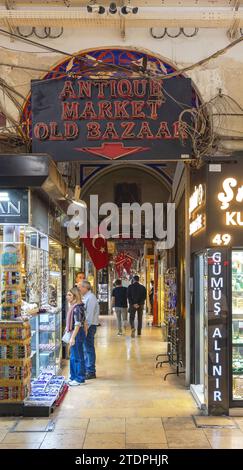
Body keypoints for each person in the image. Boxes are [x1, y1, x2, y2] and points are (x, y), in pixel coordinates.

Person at [65, 287, 88, 386]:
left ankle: (80, 378)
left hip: (77, 333)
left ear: (75, 296)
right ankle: (73, 376)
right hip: (76, 333)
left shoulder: (77, 307)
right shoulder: (74, 306)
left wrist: (73, 337)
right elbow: (85, 322)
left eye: (69, 295)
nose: (67, 297)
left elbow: (78, 323)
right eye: (67, 295)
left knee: (78, 356)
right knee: (73, 356)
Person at [78, 280, 99, 379]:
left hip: (89, 327)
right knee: (86, 348)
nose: (79, 289)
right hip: (86, 326)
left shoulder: (91, 298)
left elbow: (89, 315)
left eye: (80, 287)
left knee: (88, 348)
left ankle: (91, 371)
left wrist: (86, 328)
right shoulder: (86, 297)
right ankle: (87, 369)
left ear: (86, 288)